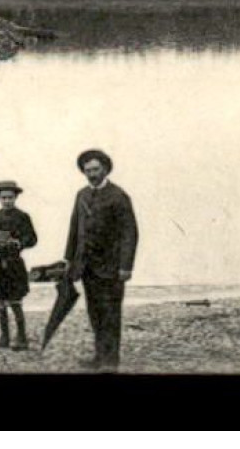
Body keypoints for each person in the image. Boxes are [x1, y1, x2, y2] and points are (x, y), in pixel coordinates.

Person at [64, 149, 139, 370]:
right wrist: (69, 259)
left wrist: (126, 266)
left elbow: (130, 234)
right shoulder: (81, 195)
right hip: (87, 267)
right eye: (87, 170)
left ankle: (110, 362)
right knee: (94, 312)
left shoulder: (119, 196)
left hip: (112, 268)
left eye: (96, 169)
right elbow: (74, 229)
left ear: (105, 169)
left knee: (110, 314)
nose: (92, 174)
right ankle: (99, 357)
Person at [0, 179, 38, 351]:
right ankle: (4, 336)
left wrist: (19, 242)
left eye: (10, 198)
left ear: (16, 197)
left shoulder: (23, 217)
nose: (7, 201)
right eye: (3, 198)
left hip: (14, 263)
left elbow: (32, 238)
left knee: (15, 300)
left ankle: (22, 337)